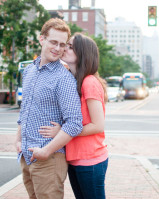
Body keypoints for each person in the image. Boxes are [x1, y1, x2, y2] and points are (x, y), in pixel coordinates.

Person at [15, 18, 83, 199]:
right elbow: (25, 110)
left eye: (62, 44)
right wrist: (18, 139)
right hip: (27, 156)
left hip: (50, 159)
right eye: (53, 42)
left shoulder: (64, 78)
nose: (58, 48)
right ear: (41, 39)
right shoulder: (29, 70)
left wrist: (46, 151)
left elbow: (75, 123)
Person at [39, 33, 108, 199]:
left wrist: (63, 131)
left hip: (90, 160)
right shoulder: (73, 79)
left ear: (82, 54)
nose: (64, 49)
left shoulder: (89, 82)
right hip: (76, 159)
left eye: (70, 47)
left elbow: (98, 125)